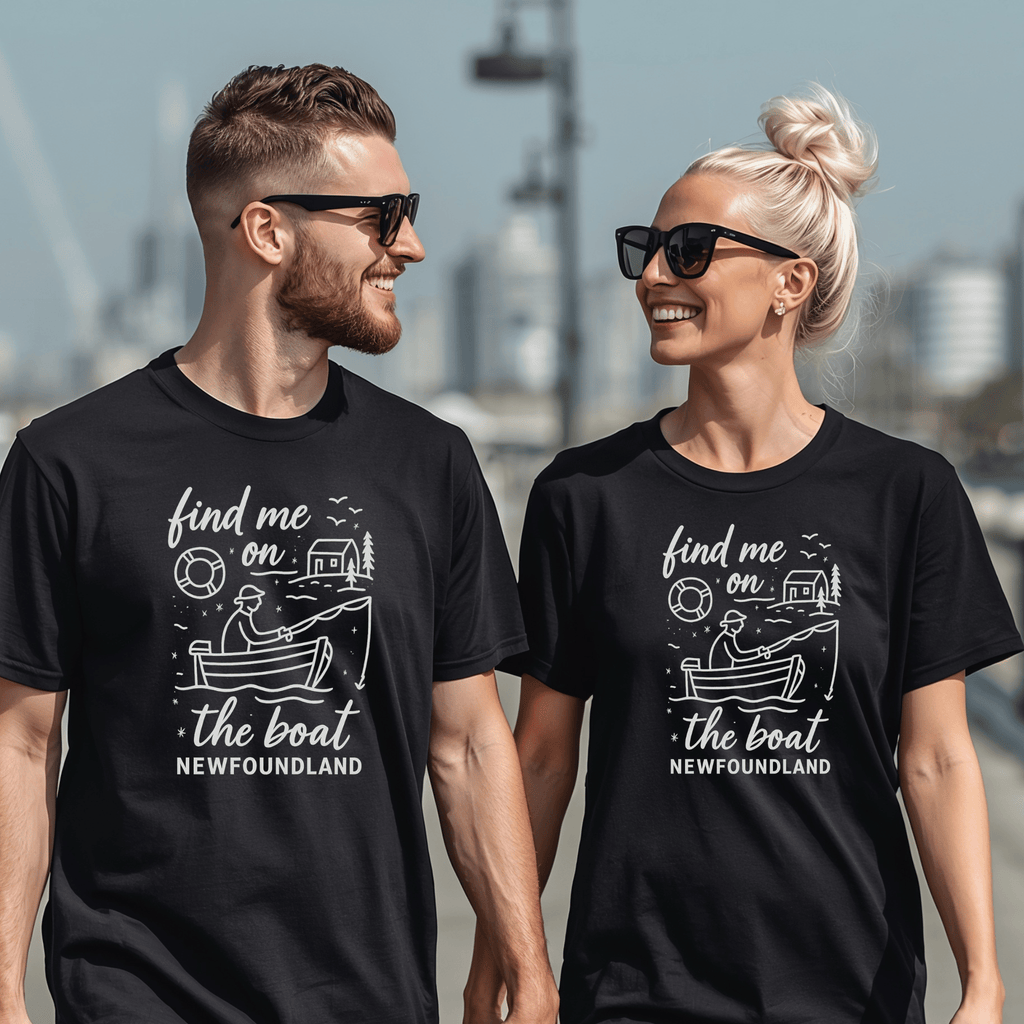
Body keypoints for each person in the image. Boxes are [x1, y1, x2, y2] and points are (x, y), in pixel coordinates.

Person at [0, 64, 558, 1024]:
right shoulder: (68, 463)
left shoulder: (429, 462)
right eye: (382, 218)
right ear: (267, 229)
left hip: (369, 997)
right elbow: (18, 741)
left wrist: (526, 966)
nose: (411, 247)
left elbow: (468, 741)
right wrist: (3, 987)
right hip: (136, 992)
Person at [465, 87, 1021, 1024]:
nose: (651, 277)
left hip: (851, 988)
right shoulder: (586, 496)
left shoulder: (906, 494)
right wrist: (505, 965)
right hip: (636, 986)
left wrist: (985, 978)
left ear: (789, 283)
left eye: (687, 251)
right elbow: (541, 762)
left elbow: (936, 761)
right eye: (645, 251)